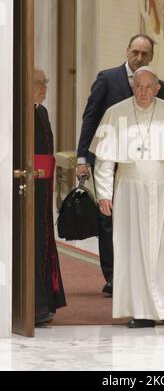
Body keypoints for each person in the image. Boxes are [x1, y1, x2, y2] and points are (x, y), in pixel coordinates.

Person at [92, 66, 164, 327]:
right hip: (130, 192)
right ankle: (140, 312)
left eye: (148, 87)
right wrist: (104, 194)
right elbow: (104, 160)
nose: (142, 92)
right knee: (134, 249)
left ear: (157, 88)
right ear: (133, 87)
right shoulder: (115, 113)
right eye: (138, 87)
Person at [76, 34, 164, 296]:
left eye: (145, 54)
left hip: (141, 165)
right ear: (127, 51)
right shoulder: (107, 79)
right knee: (108, 218)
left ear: (151, 57)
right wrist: (84, 159)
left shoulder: (157, 85)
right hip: (109, 160)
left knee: (136, 218)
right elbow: (90, 120)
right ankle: (113, 275)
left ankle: (137, 272)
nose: (139, 58)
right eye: (135, 52)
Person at [33, 69, 66, 325]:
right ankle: (33, 303)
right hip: (27, 188)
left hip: (43, 187)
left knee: (44, 240)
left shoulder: (41, 111)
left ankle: (46, 302)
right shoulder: (17, 111)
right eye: (38, 83)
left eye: (46, 82)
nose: (44, 87)